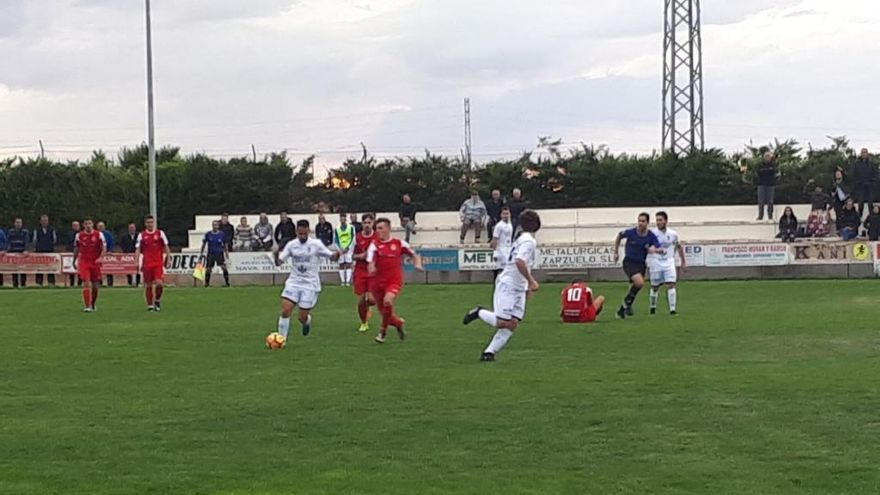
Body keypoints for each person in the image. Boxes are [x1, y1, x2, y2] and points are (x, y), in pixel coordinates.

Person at [462, 210, 541, 361]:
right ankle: (479, 312)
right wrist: (531, 281)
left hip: (518, 286)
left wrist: (526, 287)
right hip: (508, 285)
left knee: (512, 323)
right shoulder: (529, 241)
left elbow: (522, 263)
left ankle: (489, 353)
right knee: (502, 322)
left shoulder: (522, 238)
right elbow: (519, 262)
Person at [273, 219, 340, 339]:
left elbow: (332, 257)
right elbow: (279, 263)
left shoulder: (316, 244)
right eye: (300, 234)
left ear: (308, 231)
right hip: (294, 281)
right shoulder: (292, 245)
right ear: (296, 232)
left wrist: (336, 255)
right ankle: (281, 339)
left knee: (301, 317)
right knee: (285, 310)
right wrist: (276, 256)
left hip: (310, 284)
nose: (302, 236)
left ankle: (306, 321)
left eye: (304, 234)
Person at [367, 218, 423, 343]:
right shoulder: (374, 244)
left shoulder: (399, 243)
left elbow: (414, 254)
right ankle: (398, 324)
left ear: (388, 228)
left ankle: (382, 332)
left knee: (388, 301)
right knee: (385, 314)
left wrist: (417, 264)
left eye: (381, 228)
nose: (378, 231)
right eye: (377, 229)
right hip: (377, 282)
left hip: (394, 281)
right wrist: (371, 266)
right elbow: (370, 258)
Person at [612, 213, 662, 320]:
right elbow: (619, 236)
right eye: (639, 221)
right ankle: (626, 306)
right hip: (629, 262)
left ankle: (624, 308)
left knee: (636, 286)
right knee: (639, 283)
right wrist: (615, 252)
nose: (640, 223)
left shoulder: (651, 235)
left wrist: (656, 250)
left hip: (641, 264)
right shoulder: (631, 233)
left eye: (643, 221)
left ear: (647, 223)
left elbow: (658, 247)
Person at [649, 212, 686, 316]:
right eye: (657, 220)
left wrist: (683, 261)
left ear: (665, 221)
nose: (658, 222)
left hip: (669, 262)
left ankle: (672, 310)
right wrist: (656, 250)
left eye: (660, 220)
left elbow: (679, 247)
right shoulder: (652, 234)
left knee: (671, 284)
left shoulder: (673, 234)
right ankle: (652, 308)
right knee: (655, 286)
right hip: (656, 262)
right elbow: (648, 247)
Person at [135, 215, 171, 311]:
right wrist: (136, 261)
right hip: (147, 263)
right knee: (148, 284)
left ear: (154, 223)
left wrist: (169, 258)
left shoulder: (160, 233)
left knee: (159, 283)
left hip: (158, 263)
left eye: (151, 222)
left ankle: (157, 300)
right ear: (145, 224)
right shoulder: (141, 235)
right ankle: (150, 305)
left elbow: (166, 246)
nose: (150, 224)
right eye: (148, 222)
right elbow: (138, 249)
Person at [73, 218, 106, 312]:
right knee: (86, 283)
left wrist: (101, 257)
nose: (88, 225)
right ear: (83, 225)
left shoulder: (99, 234)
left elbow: (104, 248)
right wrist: (74, 260)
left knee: (95, 286)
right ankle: (87, 306)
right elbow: (76, 248)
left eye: (90, 223)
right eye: (86, 223)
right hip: (84, 262)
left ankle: (93, 304)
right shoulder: (79, 235)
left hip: (95, 262)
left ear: (93, 224)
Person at [352, 213, 378, 333]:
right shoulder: (357, 238)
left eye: (369, 223)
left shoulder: (378, 237)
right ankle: (364, 322)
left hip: (373, 271)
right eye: (365, 223)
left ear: (373, 223)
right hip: (361, 271)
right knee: (361, 300)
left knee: (372, 300)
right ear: (362, 224)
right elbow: (351, 255)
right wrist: (361, 256)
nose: (367, 225)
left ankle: (369, 308)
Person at [201, 220, 230, 287]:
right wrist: (201, 252)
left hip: (219, 253)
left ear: (218, 226)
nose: (215, 226)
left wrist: (226, 253)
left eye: (216, 225)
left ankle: (227, 283)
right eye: (214, 225)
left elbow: (225, 244)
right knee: (208, 269)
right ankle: (207, 283)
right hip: (211, 253)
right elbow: (204, 244)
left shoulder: (222, 234)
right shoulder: (208, 234)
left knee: (223, 267)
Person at [32, 214, 58, 287]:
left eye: (46, 220)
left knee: (50, 268)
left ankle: (51, 283)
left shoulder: (52, 229)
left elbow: (54, 240)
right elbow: (34, 240)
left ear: (48, 221)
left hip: (49, 251)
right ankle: (38, 283)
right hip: (39, 252)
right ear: (40, 221)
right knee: (39, 268)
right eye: (43, 221)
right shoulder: (36, 230)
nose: (44, 222)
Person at [489, 206, 514, 279]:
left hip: (508, 249)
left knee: (508, 269)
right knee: (503, 269)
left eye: (507, 214)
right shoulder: (499, 226)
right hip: (501, 250)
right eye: (504, 214)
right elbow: (495, 238)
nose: (506, 216)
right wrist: (495, 252)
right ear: (501, 215)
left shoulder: (509, 224)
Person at [851, 148, 876, 217]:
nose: (864, 154)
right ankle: (859, 216)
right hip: (861, 185)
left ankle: (872, 217)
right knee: (860, 202)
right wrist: (857, 182)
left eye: (865, 152)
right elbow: (854, 174)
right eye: (862, 152)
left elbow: (876, 173)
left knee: (870, 203)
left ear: (867, 154)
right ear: (861, 154)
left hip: (870, 185)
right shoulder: (857, 164)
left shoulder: (871, 163)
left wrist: (873, 181)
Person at [7, 218, 29, 288]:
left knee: (23, 269)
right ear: (14, 223)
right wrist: (8, 250)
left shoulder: (25, 232)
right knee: (14, 269)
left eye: (19, 223)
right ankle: (15, 284)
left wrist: (26, 250)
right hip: (13, 253)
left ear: (22, 224)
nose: (18, 224)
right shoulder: (11, 231)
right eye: (17, 222)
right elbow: (8, 241)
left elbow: (27, 241)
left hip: (22, 253)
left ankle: (23, 284)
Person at [335, 213, 356, 287]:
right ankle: (342, 281)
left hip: (348, 249)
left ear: (346, 219)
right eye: (341, 219)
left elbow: (353, 238)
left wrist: (348, 248)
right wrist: (340, 249)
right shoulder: (337, 229)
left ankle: (347, 281)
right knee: (341, 264)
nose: (342, 220)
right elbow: (336, 239)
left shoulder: (351, 227)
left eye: (344, 218)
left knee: (348, 264)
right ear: (340, 219)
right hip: (341, 249)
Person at [756, 151, 777, 221]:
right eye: (766, 156)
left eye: (769, 156)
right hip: (761, 184)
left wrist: (766, 171)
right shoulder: (760, 165)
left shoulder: (773, 164)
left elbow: (773, 172)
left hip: (770, 185)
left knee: (770, 201)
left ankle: (770, 216)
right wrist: (767, 171)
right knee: (761, 201)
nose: (767, 158)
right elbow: (759, 172)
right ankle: (760, 215)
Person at [118, 223, 141, 287]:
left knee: (137, 269)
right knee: (128, 269)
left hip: (137, 254)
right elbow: (122, 245)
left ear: (135, 228)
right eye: (130, 228)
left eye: (133, 228)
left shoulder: (139, 235)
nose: (132, 229)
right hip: (127, 255)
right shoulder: (124, 237)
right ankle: (130, 282)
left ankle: (137, 282)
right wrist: (125, 252)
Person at [96, 221, 115, 287]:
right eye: (99, 226)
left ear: (104, 227)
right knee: (98, 269)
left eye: (102, 226)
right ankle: (99, 282)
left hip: (107, 254)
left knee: (109, 268)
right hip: (98, 254)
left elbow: (111, 243)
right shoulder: (95, 234)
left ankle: (110, 283)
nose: (100, 227)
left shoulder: (108, 234)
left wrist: (110, 251)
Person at [66, 220, 82, 287]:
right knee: (71, 269)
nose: (75, 227)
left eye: (77, 225)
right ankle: (71, 283)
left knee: (80, 268)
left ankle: (79, 283)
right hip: (71, 252)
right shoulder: (69, 234)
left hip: (80, 253)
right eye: (74, 225)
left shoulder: (82, 233)